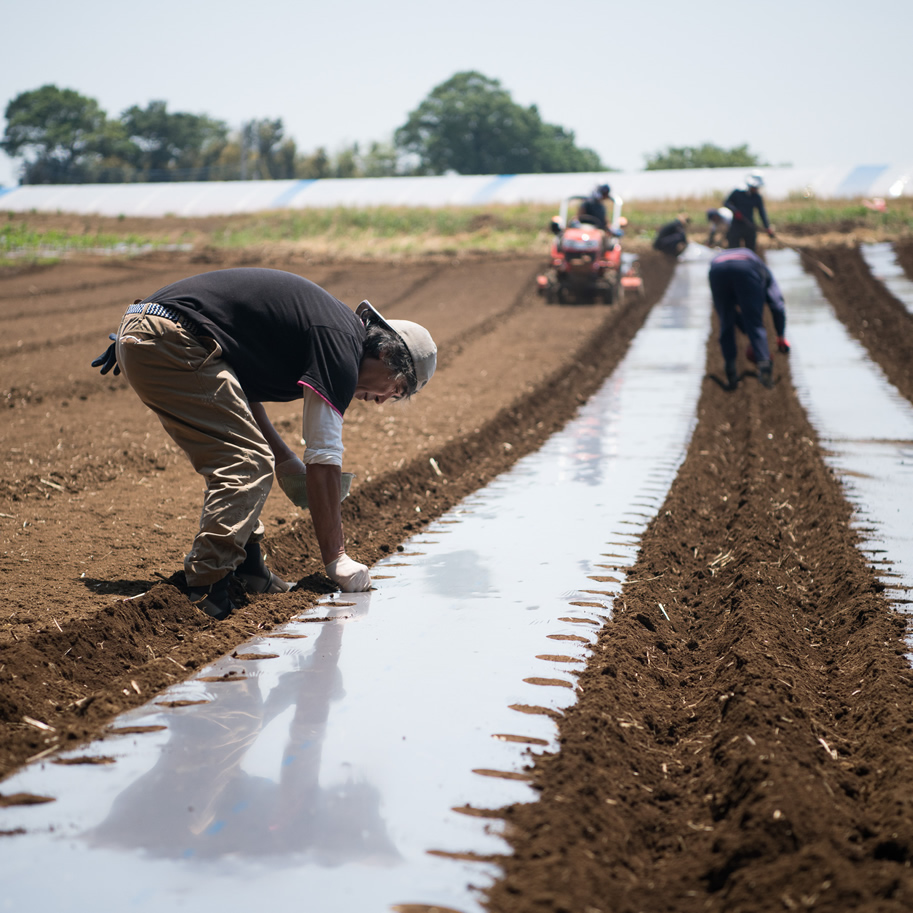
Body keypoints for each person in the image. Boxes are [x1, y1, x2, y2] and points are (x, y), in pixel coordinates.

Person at [91, 268, 437, 619]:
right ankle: (206, 589)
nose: (381, 401)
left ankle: (249, 568)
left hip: (157, 329)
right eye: (396, 390)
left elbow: (237, 389)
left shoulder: (333, 333)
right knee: (246, 462)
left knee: (251, 454)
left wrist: (283, 457)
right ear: (389, 357)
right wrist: (337, 559)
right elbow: (324, 457)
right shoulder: (341, 345)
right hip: (171, 335)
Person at [708, 248, 786, 390]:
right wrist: (780, 335)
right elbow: (777, 304)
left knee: (725, 320)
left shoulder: (727, 259)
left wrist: (743, 327)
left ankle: (731, 372)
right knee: (755, 322)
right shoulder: (764, 271)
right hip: (746, 268)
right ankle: (764, 368)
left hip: (716, 268)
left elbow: (731, 313)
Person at [724, 171, 775, 251]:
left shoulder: (757, 197)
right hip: (736, 225)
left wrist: (767, 227)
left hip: (749, 226)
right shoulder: (737, 193)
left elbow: (762, 213)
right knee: (733, 249)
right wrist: (735, 211)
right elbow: (726, 203)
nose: (755, 189)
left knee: (750, 249)